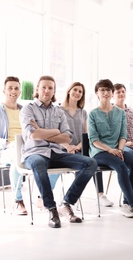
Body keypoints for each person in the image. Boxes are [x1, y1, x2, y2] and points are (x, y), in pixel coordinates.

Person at [20, 75, 97, 228]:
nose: (47, 91)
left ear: (54, 91)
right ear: (37, 89)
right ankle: (51, 209)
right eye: (44, 87)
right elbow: (33, 135)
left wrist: (43, 131)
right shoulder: (28, 109)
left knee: (90, 163)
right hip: (34, 152)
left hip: (57, 152)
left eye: (50, 88)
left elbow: (67, 138)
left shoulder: (58, 111)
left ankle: (67, 203)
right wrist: (55, 131)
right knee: (38, 163)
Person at [88, 79, 133, 218]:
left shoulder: (120, 113)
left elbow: (123, 135)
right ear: (97, 93)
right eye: (102, 90)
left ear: (112, 94)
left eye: (108, 90)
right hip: (100, 152)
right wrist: (111, 150)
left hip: (118, 150)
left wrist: (120, 149)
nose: (105, 93)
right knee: (121, 166)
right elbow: (94, 140)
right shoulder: (92, 114)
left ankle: (125, 204)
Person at [0, 76, 59, 216]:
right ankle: (18, 200)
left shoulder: (26, 109)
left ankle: (42, 197)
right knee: (17, 158)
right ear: (4, 90)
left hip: (30, 146)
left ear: (20, 91)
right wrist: (6, 143)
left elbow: (36, 130)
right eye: (10, 88)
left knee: (55, 160)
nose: (13, 91)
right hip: (8, 148)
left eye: (16, 88)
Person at [60, 82, 114, 207]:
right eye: (75, 90)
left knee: (93, 158)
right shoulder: (58, 110)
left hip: (79, 148)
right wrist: (68, 146)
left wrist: (78, 146)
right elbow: (55, 132)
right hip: (63, 148)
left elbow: (86, 134)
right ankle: (59, 197)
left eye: (80, 92)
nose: (77, 93)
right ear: (69, 91)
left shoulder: (83, 112)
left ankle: (101, 194)